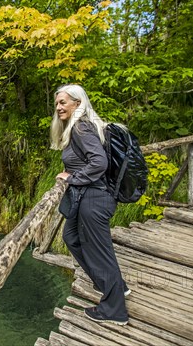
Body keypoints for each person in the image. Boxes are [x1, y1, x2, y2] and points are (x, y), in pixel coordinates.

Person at [51, 83, 130, 326]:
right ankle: (114, 285)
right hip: (86, 196)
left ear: (78, 102)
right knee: (71, 237)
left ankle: (115, 310)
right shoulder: (79, 126)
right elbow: (87, 159)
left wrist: (73, 178)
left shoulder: (81, 126)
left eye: (63, 102)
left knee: (99, 251)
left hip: (94, 198)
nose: (58, 107)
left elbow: (98, 162)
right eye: (56, 103)